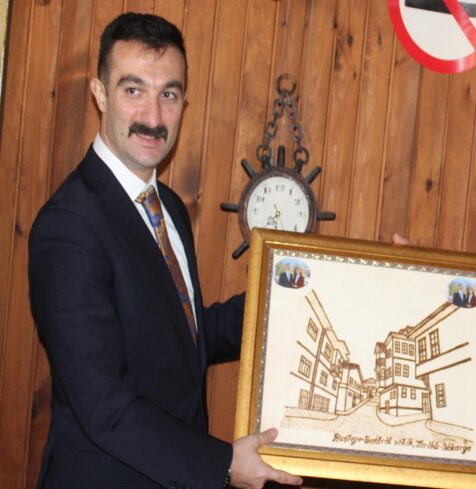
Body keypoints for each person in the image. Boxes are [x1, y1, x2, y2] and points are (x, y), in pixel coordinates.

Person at [27, 12, 302, 489]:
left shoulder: (167, 206)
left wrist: (294, 300)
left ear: (184, 102)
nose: (153, 118)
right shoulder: (68, 226)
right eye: (134, 90)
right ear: (99, 94)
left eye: (168, 95)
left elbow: (183, 336)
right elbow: (104, 407)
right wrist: (223, 463)